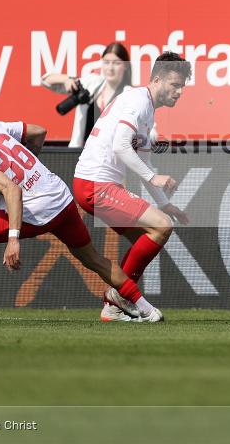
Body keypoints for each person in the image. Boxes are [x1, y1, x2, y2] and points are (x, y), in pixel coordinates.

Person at [0, 111, 163, 323]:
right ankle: (147, 309)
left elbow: (12, 189)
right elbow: (38, 131)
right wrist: (31, 166)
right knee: (94, 259)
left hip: (38, 211)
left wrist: (13, 240)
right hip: (61, 197)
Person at [72, 51, 191, 322]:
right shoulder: (138, 102)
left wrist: (165, 203)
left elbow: (144, 159)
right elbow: (120, 146)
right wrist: (152, 178)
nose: (180, 91)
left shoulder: (146, 108)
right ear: (157, 80)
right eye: (175, 85)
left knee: (148, 235)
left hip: (94, 184)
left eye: (182, 86)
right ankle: (121, 298)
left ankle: (114, 305)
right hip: (95, 184)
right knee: (162, 226)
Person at [41, 43, 131, 147]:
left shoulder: (130, 95)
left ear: (126, 65)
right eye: (106, 62)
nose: (110, 68)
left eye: (116, 63)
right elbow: (45, 80)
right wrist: (66, 79)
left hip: (112, 154)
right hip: (82, 152)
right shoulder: (91, 83)